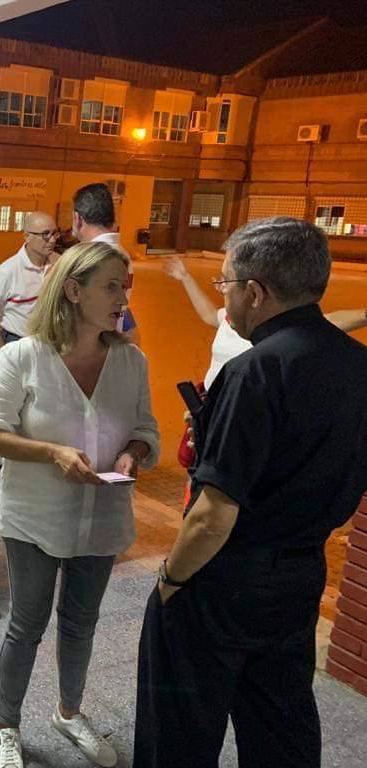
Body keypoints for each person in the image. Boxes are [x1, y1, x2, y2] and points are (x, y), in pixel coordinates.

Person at [133, 217, 367, 768]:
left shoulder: (254, 371)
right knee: (278, 719)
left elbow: (213, 514)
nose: (225, 295)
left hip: (223, 576)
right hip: (301, 572)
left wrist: (171, 580)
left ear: (255, 293)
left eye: (226, 284)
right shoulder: (357, 364)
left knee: (180, 727)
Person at [0, 241, 159, 768]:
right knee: (26, 624)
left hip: (101, 515)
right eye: (111, 286)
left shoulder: (129, 360)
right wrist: (51, 452)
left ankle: (68, 712)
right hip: (34, 515)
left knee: (81, 622)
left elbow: (146, 429)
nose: (123, 296)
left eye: (125, 285)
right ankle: (6, 726)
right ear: (73, 291)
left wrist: (132, 453)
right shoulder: (22, 356)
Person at [164, 255, 367, 389]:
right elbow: (209, 315)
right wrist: (185, 277)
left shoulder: (281, 325)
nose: (221, 287)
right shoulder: (232, 317)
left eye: (226, 280)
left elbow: (327, 322)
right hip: (213, 401)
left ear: (254, 290)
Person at [0, 210, 59, 350]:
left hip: (48, 343)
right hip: (17, 343)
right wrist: (1, 348)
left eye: (55, 233)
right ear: (27, 236)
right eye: (45, 234)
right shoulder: (9, 270)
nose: (52, 240)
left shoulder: (58, 264)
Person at [72, 183, 139, 343]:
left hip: (93, 343)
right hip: (116, 331)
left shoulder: (87, 258)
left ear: (78, 218)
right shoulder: (122, 253)